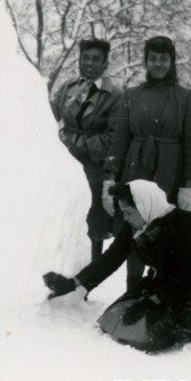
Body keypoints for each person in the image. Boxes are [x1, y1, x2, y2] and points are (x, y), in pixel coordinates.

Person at [42, 180, 191, 353]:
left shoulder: (183, 222)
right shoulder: (136, 224)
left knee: (148, 336)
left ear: (144, 206)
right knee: (111, 322)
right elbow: (111, 258)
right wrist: (72, 283)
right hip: (157, 286)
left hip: (187, 293)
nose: (125, 218)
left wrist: (151, 302)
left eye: (128, 212)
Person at [101, 35, 191, 290]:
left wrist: (188, 184)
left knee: (163, 232)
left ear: (172, 61)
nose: (158, 64)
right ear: (146, 61)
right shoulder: (131, 95)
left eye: (163, 59)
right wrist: (111, 175)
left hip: (169, 171)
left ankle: (160, 291)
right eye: (153, 59)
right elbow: (120, 139)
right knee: (134, 228)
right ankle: (133, 290)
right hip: (135, 169)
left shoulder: (187, 98)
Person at [50, 38, 122, 261]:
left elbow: (113, 135)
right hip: (64, 154)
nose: (89, 63)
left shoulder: (115, 95)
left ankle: (91, 261)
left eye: (96, 59)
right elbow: (48, 114)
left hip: (93, 160)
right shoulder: (67, 87)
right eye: (86, 58)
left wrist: (81, 147)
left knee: (91, 198)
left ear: (104, 63)